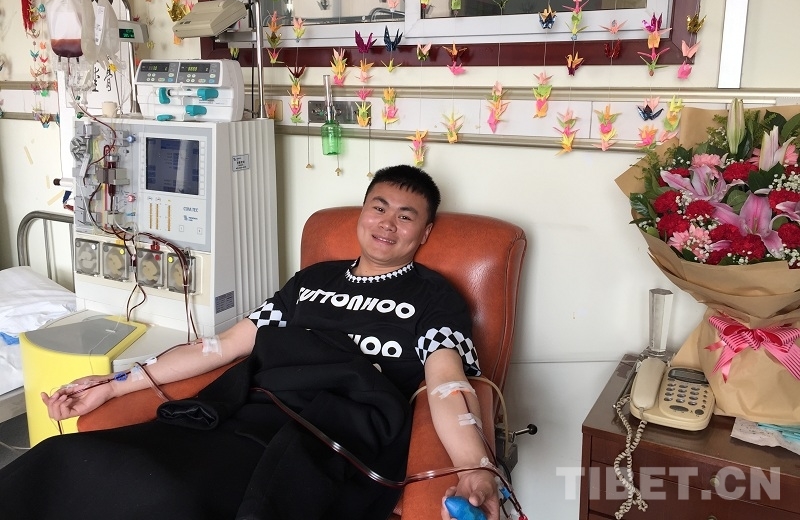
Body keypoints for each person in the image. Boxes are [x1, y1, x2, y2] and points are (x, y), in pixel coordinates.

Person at [1, 165, 499, 520]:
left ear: (425, 232)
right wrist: (113, 384)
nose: (387, 223)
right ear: (362, 213)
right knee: (65, 458)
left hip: (329, 433)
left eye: (406, 216)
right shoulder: (311, 281)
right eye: (379, 207)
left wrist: (476, 467)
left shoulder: (433, 298)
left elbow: (446, 383)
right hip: (247, 410)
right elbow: (222, 346)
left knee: (173, 494)